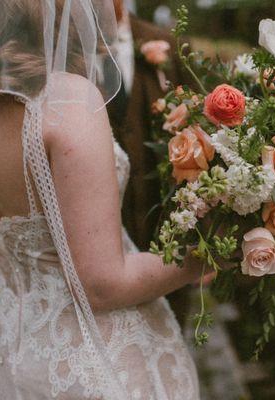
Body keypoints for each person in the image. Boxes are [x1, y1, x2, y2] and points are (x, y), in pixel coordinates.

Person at [0, 0, 213, 398]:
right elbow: (102, 285)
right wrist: (208, 255)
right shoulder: (65, 100)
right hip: (104, 363)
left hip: (11, 358)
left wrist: (22, 302)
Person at [108, 0, 194, 325]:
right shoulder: (65, 51)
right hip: (104, 236)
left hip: (166, 230)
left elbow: (201, 133)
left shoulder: (167, 45)